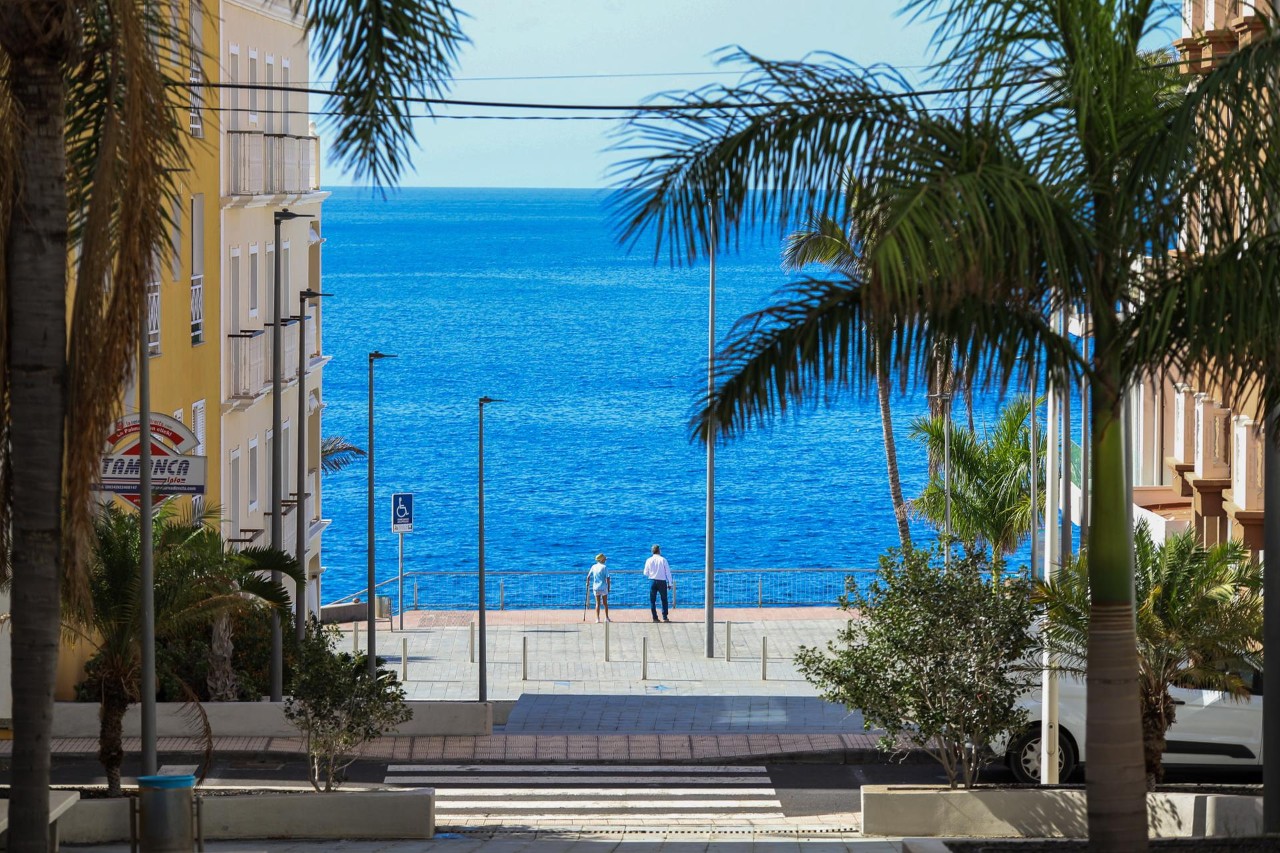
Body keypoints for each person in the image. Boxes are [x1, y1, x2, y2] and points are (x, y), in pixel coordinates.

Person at [643, 544, 673, 623]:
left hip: (652, 581)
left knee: (652, 600)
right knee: (664, 599)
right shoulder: (663, 560)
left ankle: (655, 618)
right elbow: (668, 573)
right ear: (659, 550)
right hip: (662, 581)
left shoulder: (648, 560)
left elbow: (645, 573)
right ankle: (665, 617)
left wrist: (651, 574)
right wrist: (670, 583)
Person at [587, 553, 611, 623]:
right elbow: (608, 578)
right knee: (605, 603)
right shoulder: (604, 567)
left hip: (596, 587)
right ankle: (606, 618)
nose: (605, 560)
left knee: (597, 603)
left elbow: (588, 576)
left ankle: (597, 618)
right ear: (602, 560)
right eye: (604, 559)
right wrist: (609, 587)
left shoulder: (593, 566)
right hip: (603, 587)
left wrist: (587, 583)